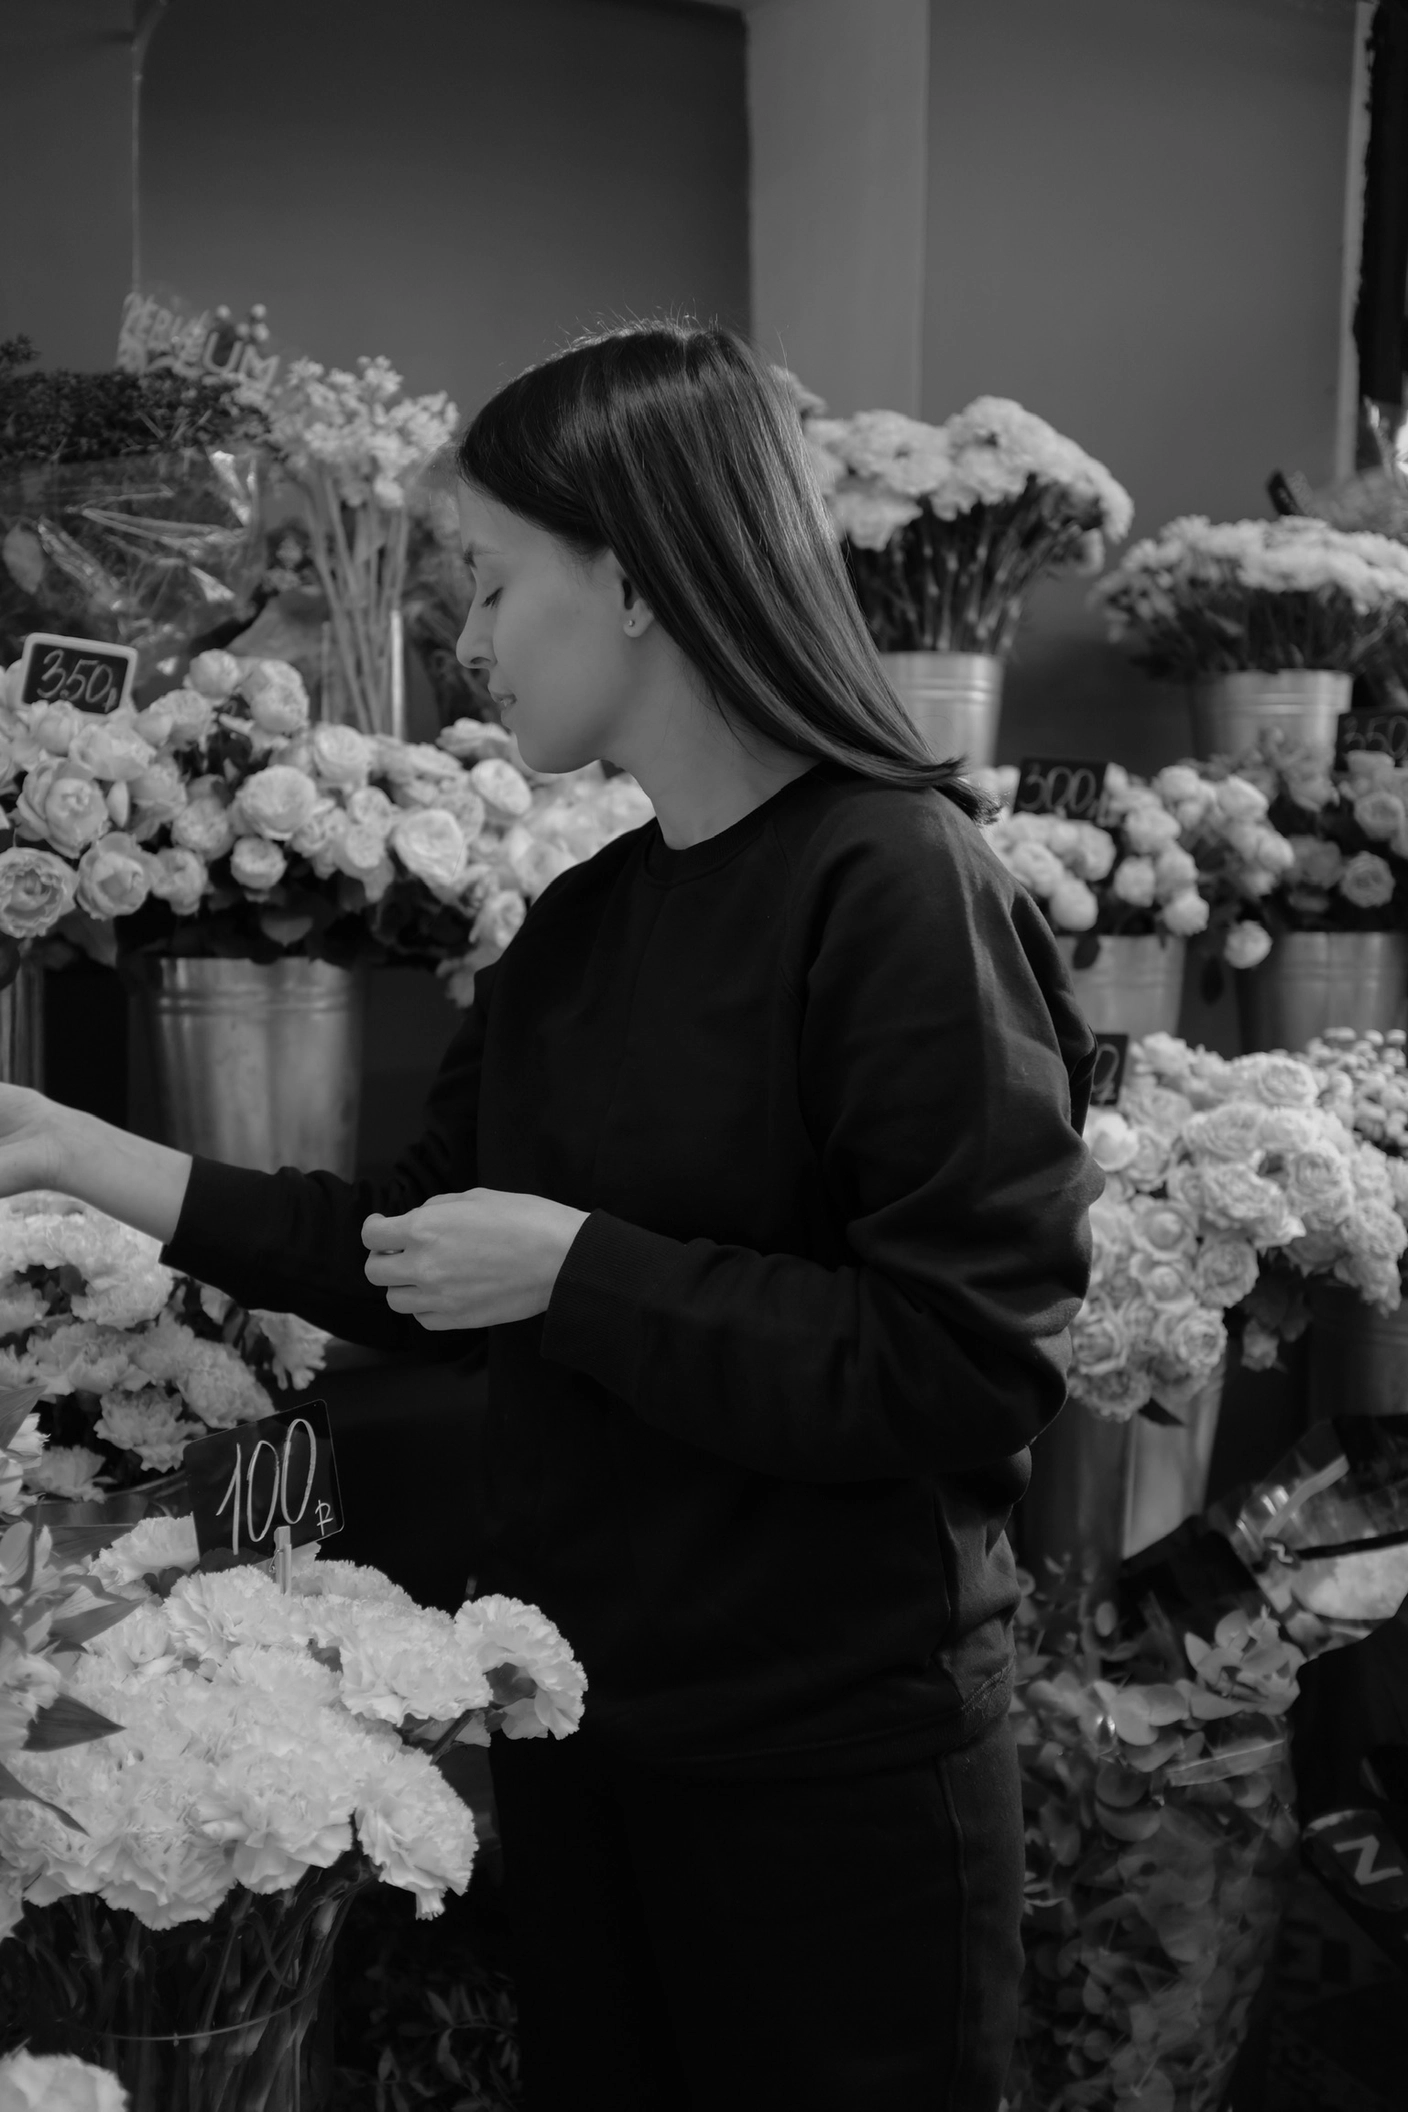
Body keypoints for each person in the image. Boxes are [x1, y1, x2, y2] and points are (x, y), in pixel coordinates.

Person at [0, 323, 1101, 2110]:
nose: (472, 637)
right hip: (589, 1732)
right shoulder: (586, 919)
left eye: (499, 581)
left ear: (642, 579)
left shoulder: (897, 882)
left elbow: (963, 1358)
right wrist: (64, 1147)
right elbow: (415, 1252)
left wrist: (584, 1273)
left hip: (828, 1775)